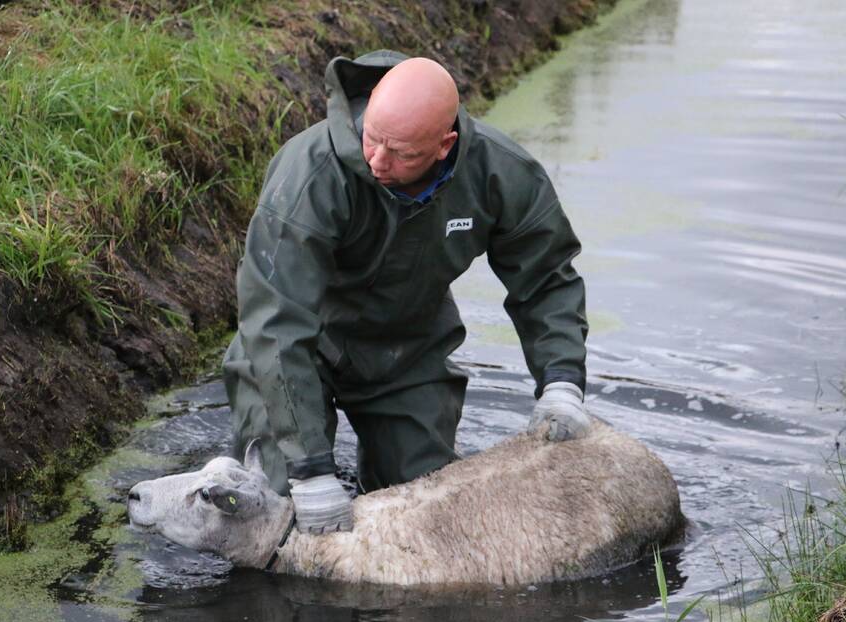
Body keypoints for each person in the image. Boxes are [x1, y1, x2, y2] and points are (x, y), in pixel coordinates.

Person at [223, 50, 589, 535]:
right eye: (372, 139)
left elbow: (545, 276)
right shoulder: (309, 175)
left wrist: (561, 379)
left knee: (425, 519)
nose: (376, 161)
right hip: (297, 350)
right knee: (274, 514)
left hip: (409, 353)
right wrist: (310, 469)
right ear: (371, 104)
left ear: (445, 144)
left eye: (402, 153)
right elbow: (276, 322)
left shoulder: (499, 172)